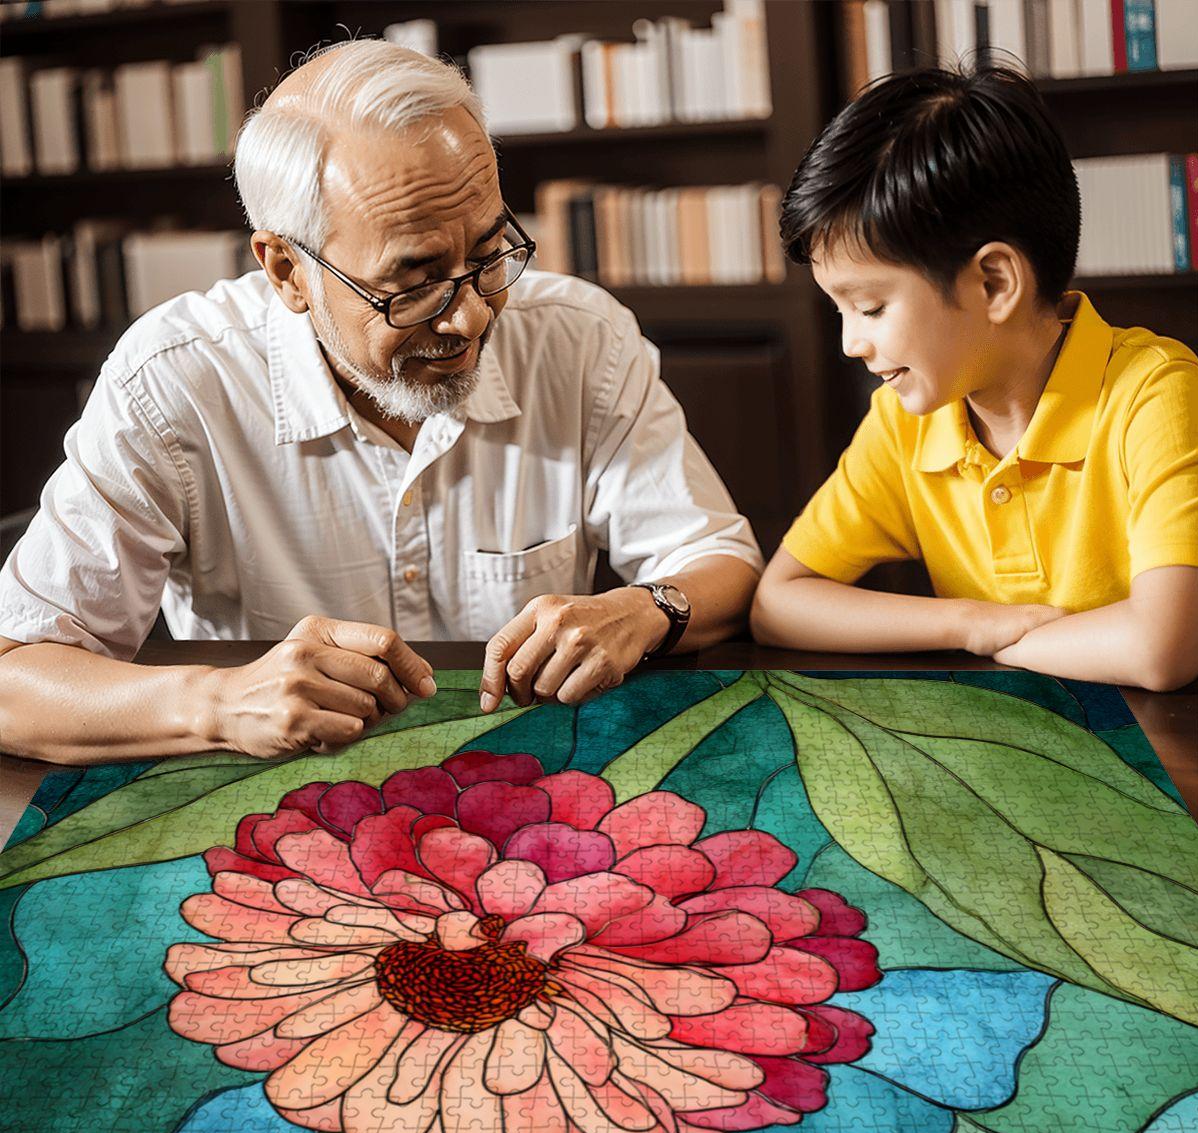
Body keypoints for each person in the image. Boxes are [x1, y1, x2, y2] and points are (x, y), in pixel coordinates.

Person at [0, 41, 762, 764]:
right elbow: (12, 681)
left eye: (491, 254)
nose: (470, 318)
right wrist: (221, 701)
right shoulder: (174, 382)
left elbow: (720, 560)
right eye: (415, 279)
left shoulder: (580, 338)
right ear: (287, 271)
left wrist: (646, 607)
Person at [751, 64, 1198, 691]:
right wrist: (969, 623)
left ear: (994, 283)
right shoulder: (906, 420)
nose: (851, 343)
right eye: (839, 308)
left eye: (872, 307)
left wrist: (1007, 640)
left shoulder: (1156, 393)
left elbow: (1162, 648)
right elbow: (780, 603)